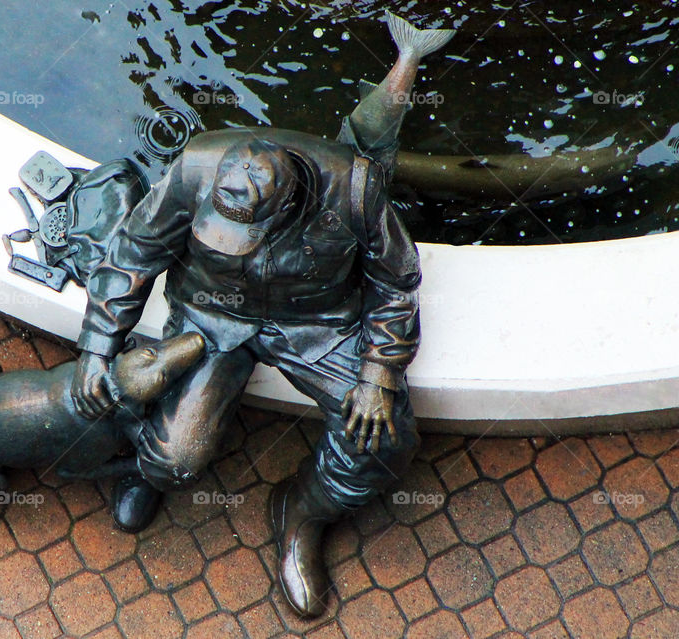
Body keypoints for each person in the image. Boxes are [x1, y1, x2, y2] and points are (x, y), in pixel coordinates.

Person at [71, 13, 454, 617]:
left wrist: (379, 374)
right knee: (175, 460)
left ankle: (301, 513)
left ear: (289, 208)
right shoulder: (197, 167)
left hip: (318, 326)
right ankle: (150, 470)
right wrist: (96, 346)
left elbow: (396, 283)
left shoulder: (352, 190)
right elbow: (133, 255)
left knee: (382, 444)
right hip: (209, 318)